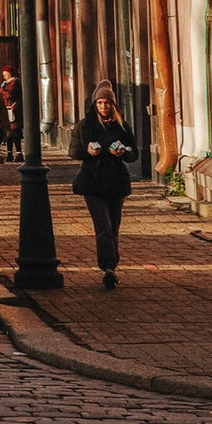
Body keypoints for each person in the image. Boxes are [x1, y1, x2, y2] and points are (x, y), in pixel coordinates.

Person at [68, 82, 140, 288]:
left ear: (113, 105)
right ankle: (108, 267)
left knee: (114, 226)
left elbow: (134, 153)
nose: (103, 107)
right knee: (103, 226)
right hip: (92, 182)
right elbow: (73, 151)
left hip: (116, 183)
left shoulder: (122, 126)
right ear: (95, 104)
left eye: (107, 103)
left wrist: (123, 152)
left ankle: (111, 267)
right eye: (99, 103)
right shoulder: (85, 125)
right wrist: (88, 152)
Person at [0, 67, 22, 161]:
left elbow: (9, 95)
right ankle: (9, 153)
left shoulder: (15, 83)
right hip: (7, 110)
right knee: (8, 133)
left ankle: (19, 153)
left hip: (13, 111)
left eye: (5, 74)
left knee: (14, 132)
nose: (4, 77)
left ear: (10, 74)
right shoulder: (6, 83)